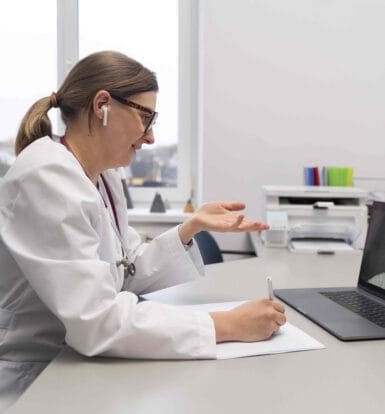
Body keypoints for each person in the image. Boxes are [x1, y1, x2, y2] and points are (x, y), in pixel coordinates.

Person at [0, 51, 286, 411]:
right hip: (36, 380)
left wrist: (190, 226)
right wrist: (225, 325)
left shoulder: (102, 176)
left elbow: (124, 269)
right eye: (145, 117)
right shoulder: (46, 176)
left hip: (77, 366)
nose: (150, 137)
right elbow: (96, 320)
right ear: (102, 104)